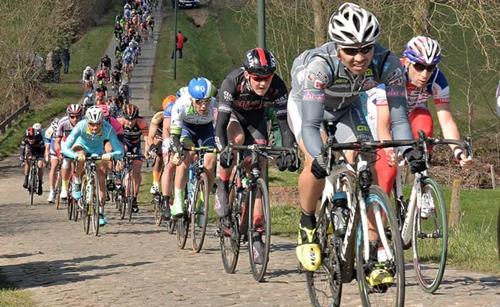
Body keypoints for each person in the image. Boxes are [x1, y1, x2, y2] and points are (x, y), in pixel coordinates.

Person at [287, 3, 421, 279]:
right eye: (350, 50)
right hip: (309, 108)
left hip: (348, 106)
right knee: (317, 158)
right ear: (337, 47)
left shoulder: (388, 63)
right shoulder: (320, 67)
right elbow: (311, 126)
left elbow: (399, 119)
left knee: (366, 159)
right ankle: (307, 222)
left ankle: (373, 249)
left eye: (366, 49)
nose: (359, 57)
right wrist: (322, 155)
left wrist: (409, 150)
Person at [215, 48, 298, 264]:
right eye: (257, 78)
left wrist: (288, 149)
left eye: (267, 78)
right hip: (232, 117)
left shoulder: (278, 86)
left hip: (256, 120)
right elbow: (221, 125)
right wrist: (224, 149)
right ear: (247, 74)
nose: (262, 83)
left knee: (260, 158)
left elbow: (284, 123)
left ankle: (256, 231)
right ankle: (223, 184)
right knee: (238, 140)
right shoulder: (232, 82)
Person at [371, 36, 472, 196]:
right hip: (379, 116)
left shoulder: (438, 80)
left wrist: (458, 152)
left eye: (430, 67)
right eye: (419, 66)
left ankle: (422, 179)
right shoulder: (392, 74)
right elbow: (382, 125)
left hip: (407, 117)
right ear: (407, 61)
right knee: (387, 174)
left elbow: (446, 121)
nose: (425, 74)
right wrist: (391, 152)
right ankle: (378, 217)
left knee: (424, 117)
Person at [62, 106, 123, 225]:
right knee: (81, 155)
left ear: (102, 122)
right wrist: (74, 155)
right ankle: (77, 182)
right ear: (87, 122)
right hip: (81, 146)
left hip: (98, 151)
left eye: (98, 124)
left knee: (101, 177)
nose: (95, 127)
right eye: (92, 124)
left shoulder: (108, 128)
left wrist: (111, 155)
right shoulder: (81, 126)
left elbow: (119, 150)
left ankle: (100, 211)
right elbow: (65, 147)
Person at [169, 78, 218, 217]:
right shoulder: (180, 104)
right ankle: (178, 200)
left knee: (210, 161)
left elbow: (220, 127)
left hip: (206, 131)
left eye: (207, 101)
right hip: (187, 130)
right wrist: (178, 148)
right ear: (191, 99)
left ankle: (203, 200)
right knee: (186, 157)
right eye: (199, 102)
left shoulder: (215, 105)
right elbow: (175, 134)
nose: (203, 106)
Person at [117, 103, 149, 213]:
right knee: (120, 160)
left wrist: (147, 150)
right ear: (123, 117)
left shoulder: (141, 122)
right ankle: (118, 180)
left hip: (135, 145)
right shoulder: (119, 122)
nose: (130, 123)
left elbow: (147, 138)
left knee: (137, 169)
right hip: (122, 143)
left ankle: (134, 198)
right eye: (128, 120)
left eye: (133, 120)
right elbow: (115, 139)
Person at [148, 94, 176, 195]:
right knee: (159, 155)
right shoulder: (158, 117)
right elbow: (151, 136)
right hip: (160, 137)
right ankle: (155, 183)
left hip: (174, 136)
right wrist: (152, 147)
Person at [55, 104, 84, 200]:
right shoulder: (63, 122)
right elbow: (57, 142)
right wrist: (59, 153)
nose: (75, 119)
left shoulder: (85, 122)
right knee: (66, 162)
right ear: (68, 116)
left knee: (82, 158)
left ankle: (77, 178)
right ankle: (64, 186)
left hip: (79, 143)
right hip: (66, 143)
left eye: (77, 116)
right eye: (72, 116)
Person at [19, 125, 46, 195]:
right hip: (30, 149)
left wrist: (41, 158)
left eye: (32, 138)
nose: (30, 140)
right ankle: (26, 179)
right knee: (27, 160)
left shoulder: (39, 137)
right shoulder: (25, 138)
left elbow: (43, 150)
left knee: (40, 165)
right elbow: (22, 149)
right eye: (29, 138)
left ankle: (40, 184)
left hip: (39, 150)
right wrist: (22, 159)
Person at [45, 117, 61, 203]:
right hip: (53, 151)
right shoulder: (49, 131)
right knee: (54, 167)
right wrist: (47, 156)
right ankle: (52, 191)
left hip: (64, 149)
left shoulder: (64, 128)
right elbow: (47, 147)